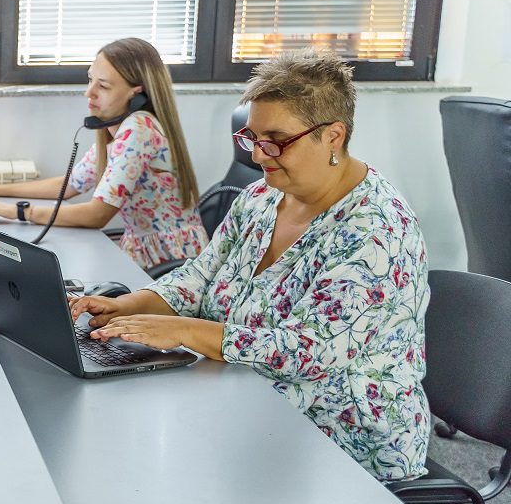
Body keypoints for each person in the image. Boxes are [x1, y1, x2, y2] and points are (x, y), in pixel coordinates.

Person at [71, 48, 429, 481]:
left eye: (276, 140)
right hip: (246, 396)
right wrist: (130, 304)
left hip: (342, 433)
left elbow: (307, 352)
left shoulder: (376, 231)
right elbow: (200, 275)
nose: (258, 155)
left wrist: (185, 330)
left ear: (333, 137)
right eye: (252, 138)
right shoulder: (262, 196)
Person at [0, 37, 206, 271]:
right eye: (90, 79)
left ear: (136, 93)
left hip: (171, 261)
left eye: (103, 86)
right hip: (143, 253)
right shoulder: (118, 130)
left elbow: (97, 215)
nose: (89, 92)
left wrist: (18, 211)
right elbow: (70, 185)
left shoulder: (139, 129)